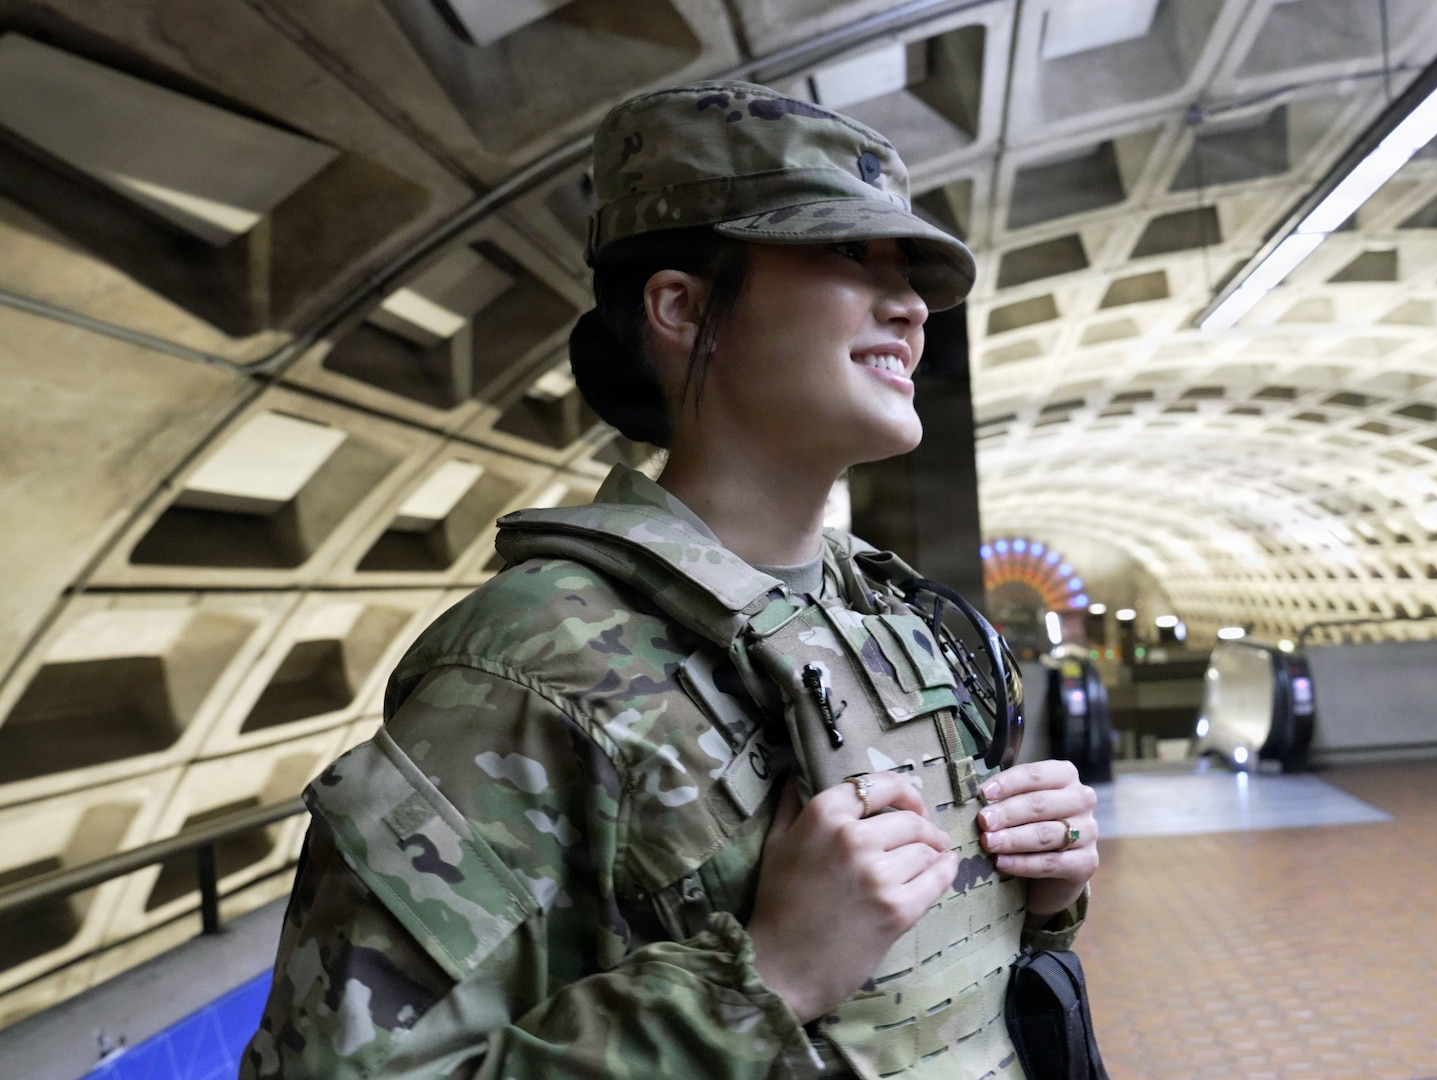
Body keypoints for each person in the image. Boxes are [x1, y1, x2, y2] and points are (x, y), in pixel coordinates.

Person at [243, 81, 1099, 1080]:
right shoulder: (532, 667)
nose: (908, 303)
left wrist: (1037, 895)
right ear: (684, 308)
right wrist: (763, 980)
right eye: (844, 253)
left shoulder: (892, 615)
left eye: (905, 266)